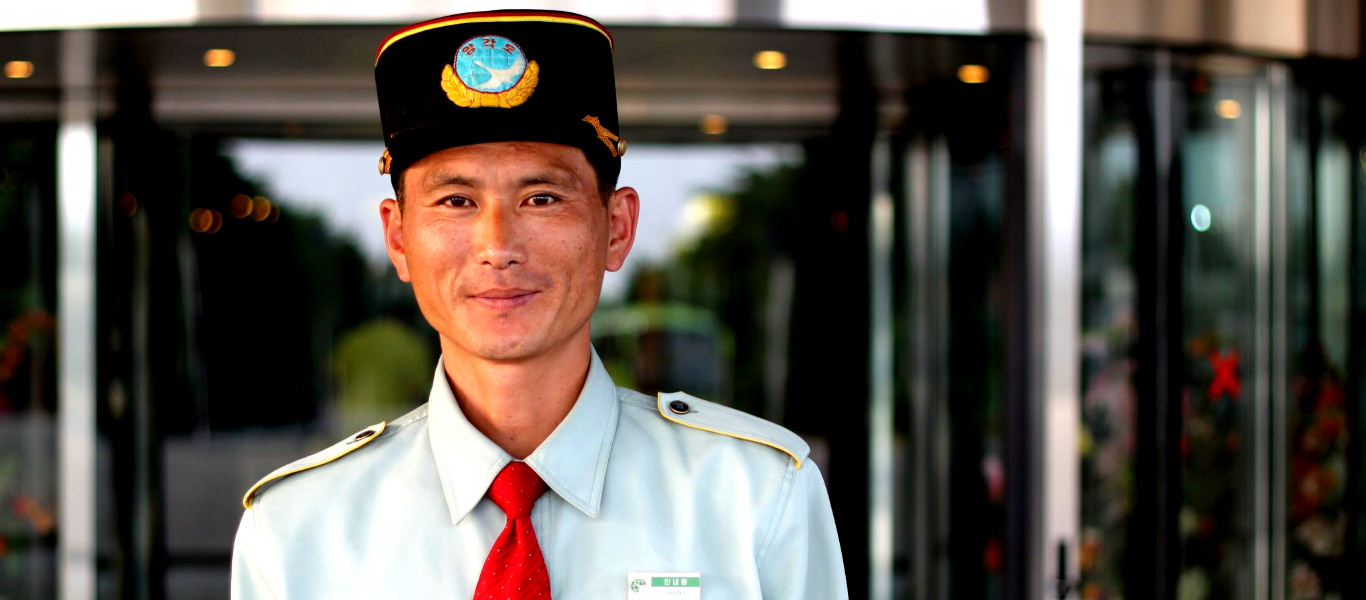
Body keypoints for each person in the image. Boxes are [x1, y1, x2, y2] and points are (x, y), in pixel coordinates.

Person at [230, 10, 847, 599]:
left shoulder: (756, 499)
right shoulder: (296, 531)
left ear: (617, 227)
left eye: (543, 198)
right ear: (398, 239)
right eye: (455, 202)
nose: (497, 247)